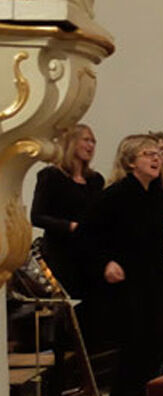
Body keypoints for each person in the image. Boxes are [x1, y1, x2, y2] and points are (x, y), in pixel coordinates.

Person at [83, 134, 163, 396]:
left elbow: (151, 233)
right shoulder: (116, 194)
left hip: (151, 276)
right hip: (125, 279)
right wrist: (105, 263)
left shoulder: (157, 193)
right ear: (130, 162)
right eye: (146, 154)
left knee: (153, 343)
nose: (155, 159)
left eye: (156, 153)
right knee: (132, 345)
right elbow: (87, 236)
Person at [31, 124, 103, 298]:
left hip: (89, 252)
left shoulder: (95, 180)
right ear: (71, 142)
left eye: (93, 141)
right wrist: (70, 226)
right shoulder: (51, 176)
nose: (91, 146)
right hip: (61, 253)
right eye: (86, 140)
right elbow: (37, 216)